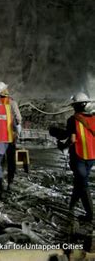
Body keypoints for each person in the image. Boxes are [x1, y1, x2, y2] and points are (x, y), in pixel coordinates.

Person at [64, 92, 95, 222]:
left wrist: (63, 145)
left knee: (82, 183)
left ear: (75, 106)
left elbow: (72, 139)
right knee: (79, 180)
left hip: (79, 155)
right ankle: (71, 205)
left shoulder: (72, 120)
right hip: (92, 155)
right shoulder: (94, 118)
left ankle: (90, 214)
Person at [0, 82, 22, 189]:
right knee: (11, 159)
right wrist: (17, 130)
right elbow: (18, 118)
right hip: (10, 135)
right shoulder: (12, 103)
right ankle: (10, 180)